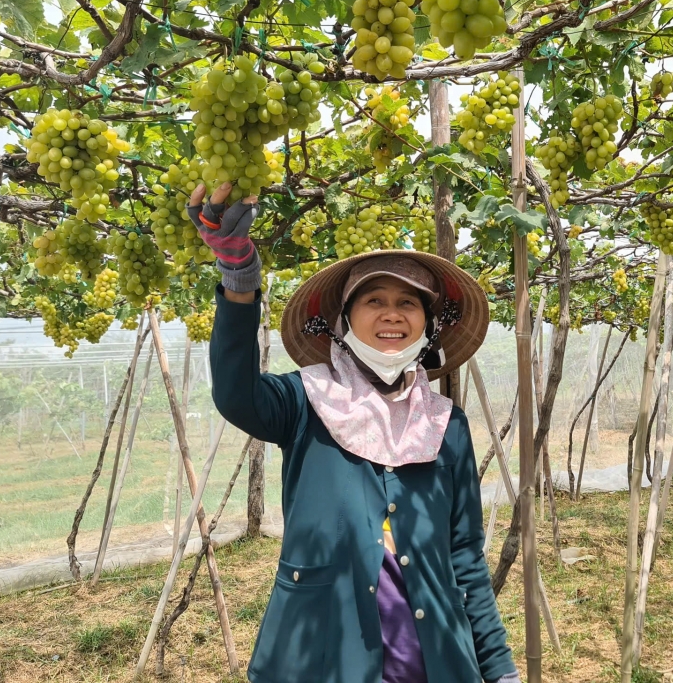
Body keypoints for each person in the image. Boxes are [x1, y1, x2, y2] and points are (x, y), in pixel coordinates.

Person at [188, 182, 520, 683]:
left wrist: (500, 670)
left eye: (409, 303)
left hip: (432, 660)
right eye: (374, 301)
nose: (392, 314)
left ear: (428, 324)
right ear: (342, 322)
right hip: (323, 657)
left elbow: (464, 557)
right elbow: (235, 394)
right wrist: (240, 278)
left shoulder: (445, 424)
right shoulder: (304, 401)